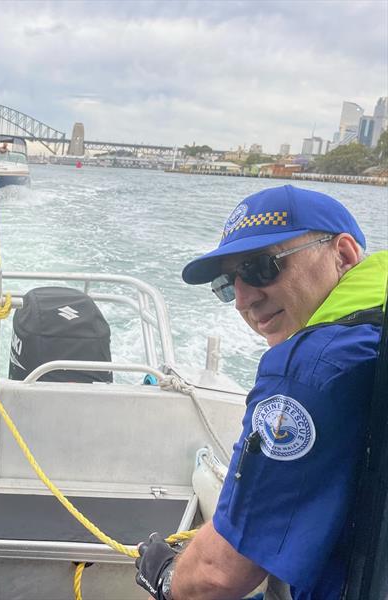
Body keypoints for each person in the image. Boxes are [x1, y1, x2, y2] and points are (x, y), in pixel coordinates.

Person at [134, 185, 387, 600]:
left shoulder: (310, 368)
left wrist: (165, 576)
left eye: (260, 268)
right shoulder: (373, 329)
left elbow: (219, 576)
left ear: (343, 255)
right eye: (228, 283)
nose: (242, 300)